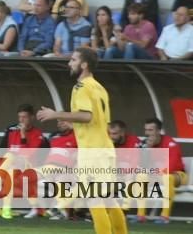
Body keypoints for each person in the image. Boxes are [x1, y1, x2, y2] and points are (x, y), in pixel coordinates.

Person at [37, 47, 128, 234]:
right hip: (105, 149)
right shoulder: (99, 87)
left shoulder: (81, 87)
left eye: (73, 60)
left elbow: (86, 116)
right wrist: (74, 125)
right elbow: (99, 120)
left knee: (94, 199)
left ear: (84, 64)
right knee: (108, 199)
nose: (69, 63)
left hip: (93, 152)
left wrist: (55, 114)